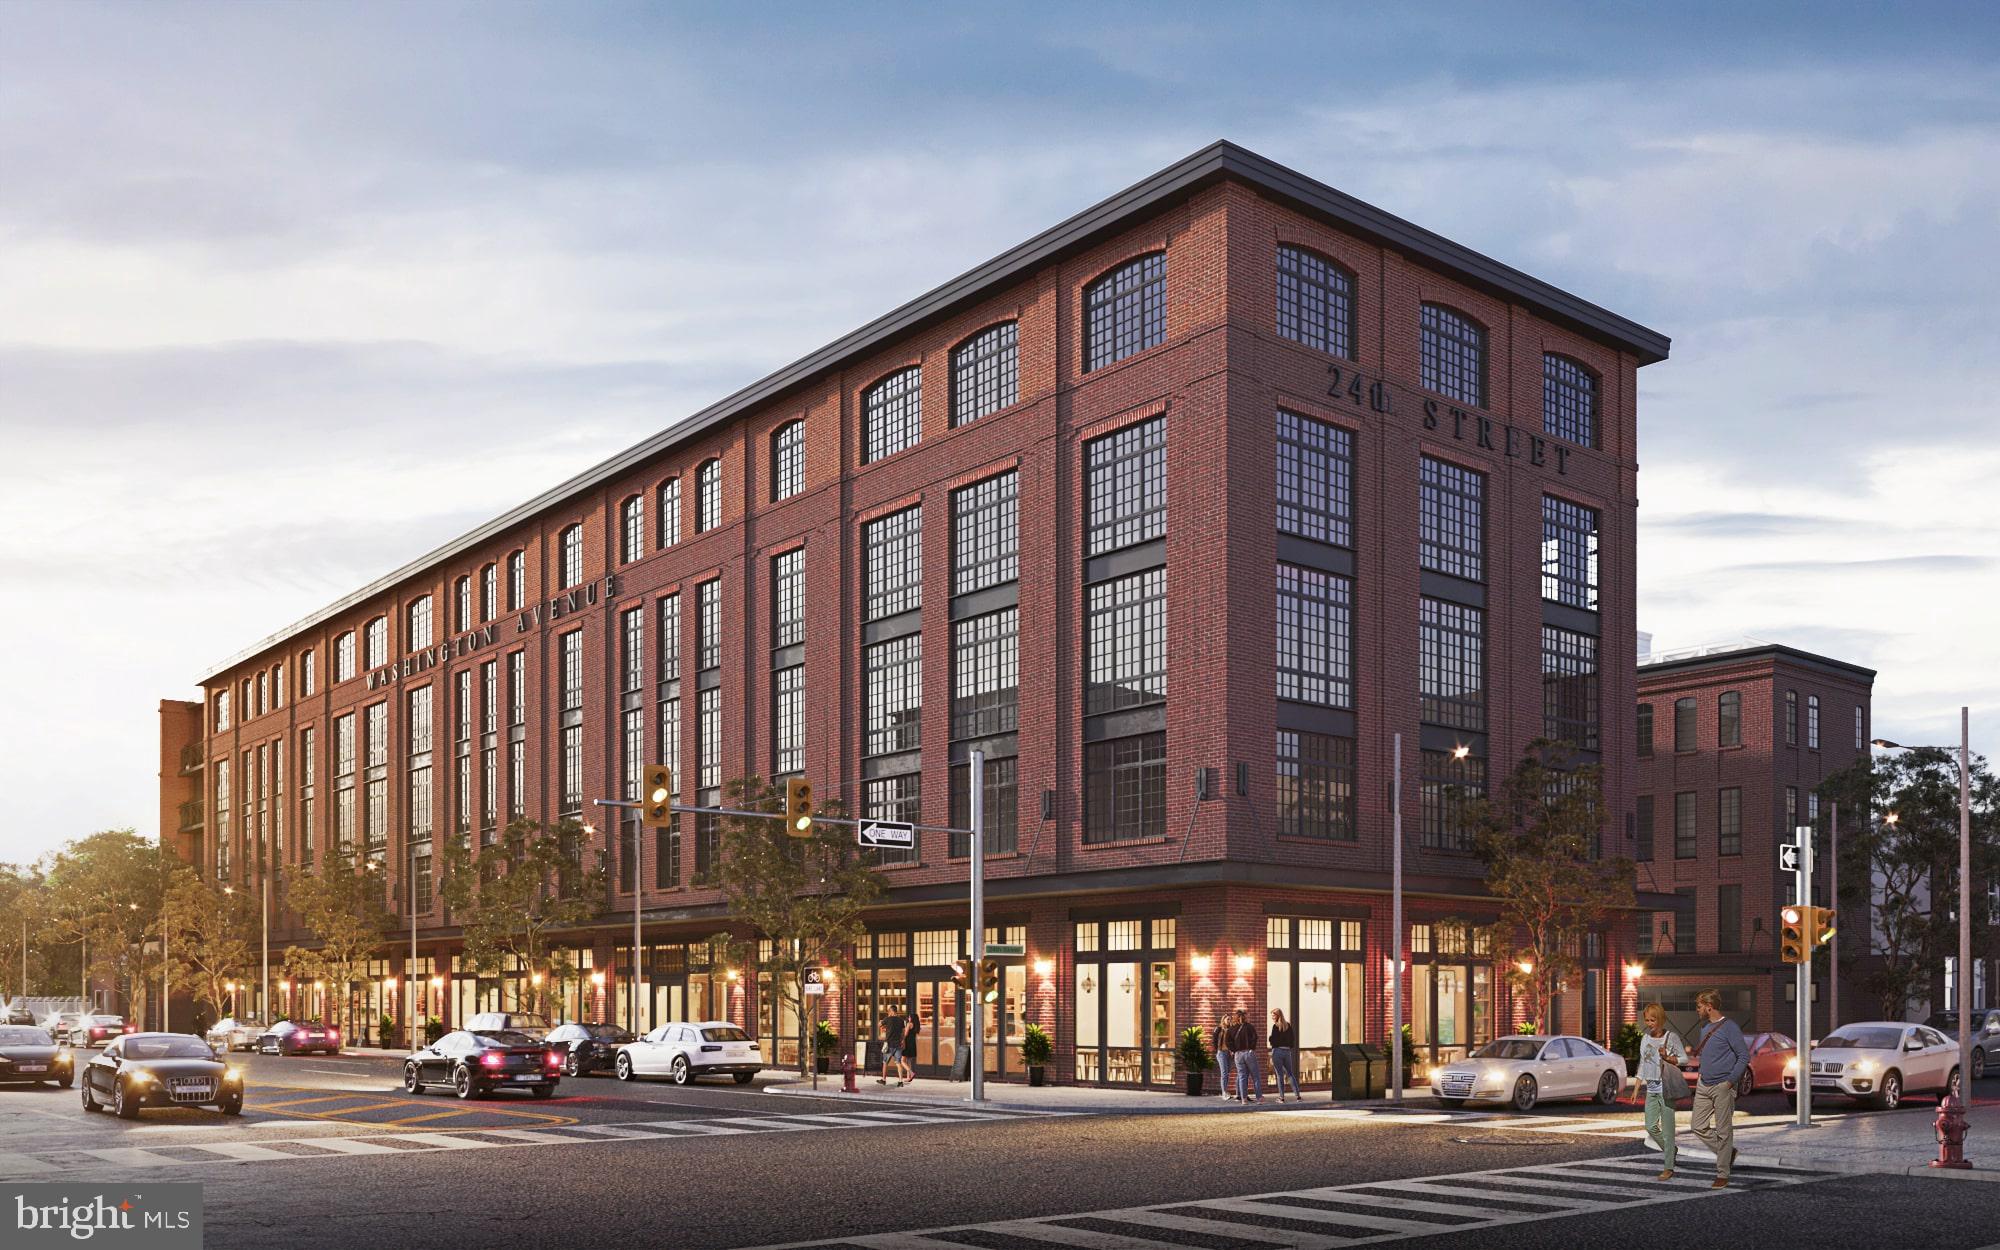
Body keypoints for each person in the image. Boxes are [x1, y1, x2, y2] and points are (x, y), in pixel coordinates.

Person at [1687, 989, 1748, 1188]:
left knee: (1723, 1131)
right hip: (1704, 1084)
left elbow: (1743, 1057)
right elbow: (1710, 1054)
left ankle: (1722, 1172)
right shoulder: (1705, 1028)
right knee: (1697, 1125)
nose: (1697, 1010)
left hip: (1723, 1085)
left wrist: (1730, 1081)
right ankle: (1728, 1153)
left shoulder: (1730, 1028)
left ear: (1709, 1006)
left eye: (1699, 1006)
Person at [1637, 1002, 1685, 1179]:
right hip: (1651, 1089)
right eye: (1647, 1020)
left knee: (1668, 1130)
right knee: (1650, 1126)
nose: (1650, 1023)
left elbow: (1684, 1059)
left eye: (1653, 1019)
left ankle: (1668, 1167)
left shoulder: (1671, 1037)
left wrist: (1668, 1057)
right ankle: (1670, 1151)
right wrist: (1636, 1086)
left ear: (1661, 1019)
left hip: (1666, 1088)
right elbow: (1642, 1062)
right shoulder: (1645, 1039)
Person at [1229, 1010, 1263, 1103]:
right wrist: (1252, 1048)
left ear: (1235, 1017)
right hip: (1248, 1052)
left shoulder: (1232, 1029)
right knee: (1255, 1076)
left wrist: (1234, 1050)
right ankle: (1259, 1098)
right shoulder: (1249, 1027)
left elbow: (1228, 1041)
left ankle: (1244, 1099)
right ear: (1244, 1017)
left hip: (1238, 1054)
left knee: (1242, 1076)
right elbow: (1255, 1037)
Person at [1269, 1008, 1301, 1102]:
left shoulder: (1275, 1027)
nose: (1272, 1018)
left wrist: (1270, 1039)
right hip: (1287, 1052)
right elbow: (1292, 1040)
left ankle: (1281, 1097)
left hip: (1277, 1052)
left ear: (1278, 1015)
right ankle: (1298, 1096)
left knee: (1279, 1075)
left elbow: (1274, 1041)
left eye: (1273, 1016)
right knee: (1290, 1074)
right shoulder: (1288, 1025)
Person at [876, 1006, 906, 1086]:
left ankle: (883, 1079)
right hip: (898, 1044)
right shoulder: (901, 1020)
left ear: (891, 1011)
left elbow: (879, 1024)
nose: (888, 1013)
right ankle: (900, 1081)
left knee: (885, 1062)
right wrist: (902, 1041)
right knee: (898, 1063)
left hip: (889, 1044)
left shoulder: (887, 1019)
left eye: (889, 1011)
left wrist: (884, 1028)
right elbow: (903, 1033)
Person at [1213, 1016, 1235, 1098]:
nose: (1229, 1021)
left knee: (1227, 1072)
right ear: (1223, 1020)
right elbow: (1214, 1040)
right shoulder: (1218, 1029)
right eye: (1228, 1019)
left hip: (1229, 1053)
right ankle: (1224, 1092)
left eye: (1230, 1019)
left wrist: (1232, 1050)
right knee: (1224, 1073)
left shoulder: (1231, 1030)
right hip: (1221, 1053)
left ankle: (1225, 1091)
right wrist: (1218, 1050)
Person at [899, 1010, 919, 1085]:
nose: (908, 1018)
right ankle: (909, 1077)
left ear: (912, 1018)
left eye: (909, 1017)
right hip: (912, 1043)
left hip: (907, 1043)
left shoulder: (909, 1024)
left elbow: (906, 1033)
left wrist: (902, 1041)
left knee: (902, 1060)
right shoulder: (916, 1025)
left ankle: (911, 1073)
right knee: (908, 1061)